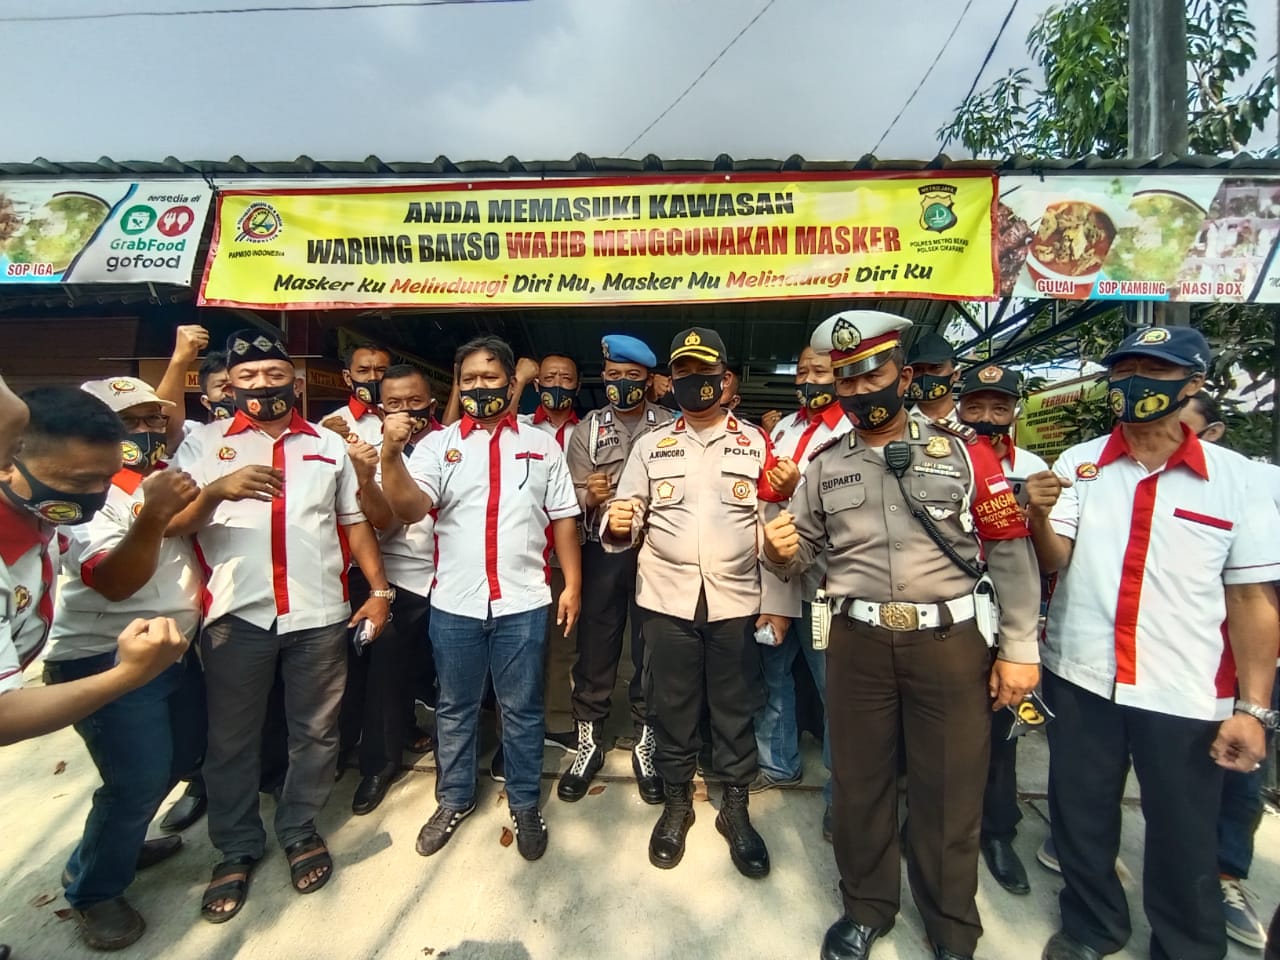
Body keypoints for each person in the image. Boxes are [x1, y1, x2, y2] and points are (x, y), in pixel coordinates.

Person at [762, 310, 1041, 960]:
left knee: (949, 790)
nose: (860, 390)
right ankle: (867, 907)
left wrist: (1021, 649)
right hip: (856, 645)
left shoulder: (967, 454)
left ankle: (950, 925)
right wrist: (777, 550)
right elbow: (799, 550)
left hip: (950, 645)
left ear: (904, 376)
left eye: (871, 374)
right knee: (859, 784)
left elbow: (1009, 551)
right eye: (846, 379)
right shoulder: (823, 465)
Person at [1027, 326, 1280, 960]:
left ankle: (1186, 945)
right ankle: (1092, 926)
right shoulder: (1079, 464)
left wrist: (1253, 709)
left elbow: (1252, 599)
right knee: (1081, 817)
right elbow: (1056, 558)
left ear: (1193, 385)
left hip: (1186, 688)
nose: (1135, 381)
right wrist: (1037, 515)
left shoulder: (1240, 480)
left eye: (1156, 369)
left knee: (1183, 832)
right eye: (1126, 368)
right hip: (1083, 674)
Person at [168, 329, 393, 923]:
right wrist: (216, 493)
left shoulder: (326, 444)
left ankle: (298, 827)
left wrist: (377, 590)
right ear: (229, 384)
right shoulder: (203, 444)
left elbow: (355, 524)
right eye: (247, 377)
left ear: (294, 382)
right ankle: (237, 846)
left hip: (317, 614)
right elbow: (169, 524)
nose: (261, 386)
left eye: (273, 375)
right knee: (231, 740)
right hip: (236, 616)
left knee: (316, 734)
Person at [604, 326, 799, 878]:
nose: (695, 382)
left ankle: (735, 808)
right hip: (666, 600)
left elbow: (775, 528)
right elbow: (625, 515)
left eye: (704, 372)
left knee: (736, 710)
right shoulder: (651, 444)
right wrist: (618, 521)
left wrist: (779, 602)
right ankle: (676, 805)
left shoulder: (759, 446)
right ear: (671, 380)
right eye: (684, 373)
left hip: (737, 600)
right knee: (672, 707)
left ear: (726, 379)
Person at [380, 335, 581, 863]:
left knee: (522, 709)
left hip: (523, 602)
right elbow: (407, 508)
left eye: (490, 377)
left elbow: (563, 518)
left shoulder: (541, 444)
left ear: (510, 381)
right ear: (458, 385)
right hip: (456, 605)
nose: (478, 387)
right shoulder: (437, 445)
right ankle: (454, 799)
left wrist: (574, 585)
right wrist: (388, 456)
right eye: (468, 379)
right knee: (455, 707)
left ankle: (524, 802)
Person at [41, 377, 204, 951]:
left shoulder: (150, 480)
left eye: (154, 420)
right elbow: (115, 581)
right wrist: (155, 514)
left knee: (179, 760)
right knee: (136, 779)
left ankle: (117, 844)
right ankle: (94, 889)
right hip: (104, 658)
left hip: (170, 651)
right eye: (130, 421)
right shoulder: (81, 491)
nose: (148, 431)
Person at [0, 383, 191, 747]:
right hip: (99, 656)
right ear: (9, 462)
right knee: (137, 786)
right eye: (80, 480)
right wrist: (130, 674)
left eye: (106, 479)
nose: (96, 494)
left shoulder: (43, 518)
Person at [1179, 389, 1280, 950]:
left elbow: (1254, 592)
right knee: (1167, 774)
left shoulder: (1254, 482)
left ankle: (1225, 876)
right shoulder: (1109, 472)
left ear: (1212, 433)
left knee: (1239, 772)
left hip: (1244, 657)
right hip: (1170, 656)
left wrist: (1257, 701)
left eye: (1183, 424)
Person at [559, 334, 673, 804]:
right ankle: (589, 746)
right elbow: (571, 495)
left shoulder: (669, 425)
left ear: (649, 381)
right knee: (596, 648)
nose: (621, 384)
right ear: (602, 377)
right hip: (602, 554)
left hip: (656, 554)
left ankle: (647, 745)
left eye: (632, 377)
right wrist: (593, 496)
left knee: (652, 649)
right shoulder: (587, 429)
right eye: (613, 376)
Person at [953, 363, 1049, 898]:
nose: (986, 417)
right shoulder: (944, 454)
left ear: (1015, 411)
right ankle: (926, 820)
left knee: (1001, 732)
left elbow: (1045, 556)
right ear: (960, 406)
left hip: (1007, 612)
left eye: (999, 407)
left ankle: (996, 833)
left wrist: (1039, 511)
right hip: (953, 612)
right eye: (975, 406)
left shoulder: (1034, 467)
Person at [754, 343, 849, 841]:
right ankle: (778, 763)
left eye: (820, 370)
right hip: (775, 577)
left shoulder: (852, 430)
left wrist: (797, 488)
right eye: (803, 369)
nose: (809, 378)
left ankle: (842, 795)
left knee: (837, 692)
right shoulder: (784, 431)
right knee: (773, 675)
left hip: (827, 584)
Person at [339, 364, 440, 815]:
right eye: (394, 404)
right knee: (385, 678)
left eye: (414, 402)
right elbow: (383, 521)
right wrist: (369, 473)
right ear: (381, 409)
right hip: (396, 578)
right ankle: (379, 765)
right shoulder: (368, 451)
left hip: (453, 581)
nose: (405, 412)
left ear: (431, 404)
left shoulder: (455, 441)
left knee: (455, 679)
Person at [516, 353, 581, 754]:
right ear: (537, 385)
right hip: (522, 554)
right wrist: (519, 382)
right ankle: (518, 727)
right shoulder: (519, 426)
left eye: (567, 377)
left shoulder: (588, 430)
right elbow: (475, 433)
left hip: (566, 553)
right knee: (519, 646)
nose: (558, 383)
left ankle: (557, 720)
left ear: (578, 385)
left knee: (563, 643)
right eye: (548, 377)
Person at [321, 342, 393, 444]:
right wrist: (325, 434)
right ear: (348, 378)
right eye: (363, 371)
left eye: (381, 370)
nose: (373, 377)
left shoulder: (407, 413)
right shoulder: (334, 423)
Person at [905, 330, 959, 422]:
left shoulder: (973, 422)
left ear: (956, 374)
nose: (926, 375)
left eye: (935, 367)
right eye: (918, 369)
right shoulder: (897, 426)